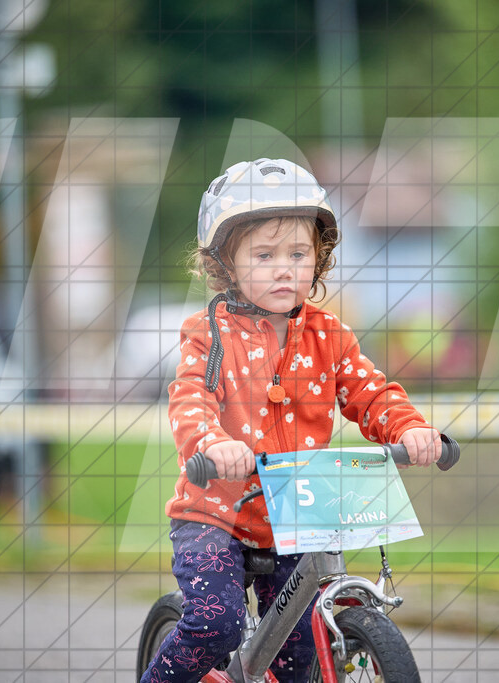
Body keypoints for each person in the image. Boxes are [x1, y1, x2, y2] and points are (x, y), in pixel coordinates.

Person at [140, 158, 441, 683]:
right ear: (225, 265)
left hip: (299, 513)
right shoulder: (210, 334)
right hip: (218, 513)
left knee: (299, 653)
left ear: (318, 259)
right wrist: (212, 442)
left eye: (298, 254)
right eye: (264, 255)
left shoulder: (329, 335)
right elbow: (192, 398)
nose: (285, 268)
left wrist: (408, 429)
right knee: (217, 624)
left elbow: (370, 393)